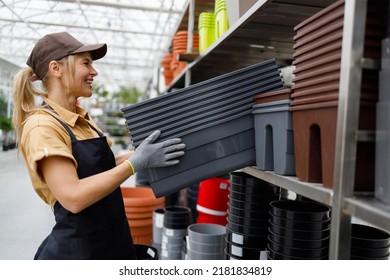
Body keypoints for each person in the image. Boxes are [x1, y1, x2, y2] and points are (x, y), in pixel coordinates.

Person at [12, 31, 186, 260]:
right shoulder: (42, 125)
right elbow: (73, 197)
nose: (94, 72)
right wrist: (134, 164)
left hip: (114, 242)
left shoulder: (82, 118)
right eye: (86, 63)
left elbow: (96, 169)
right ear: (56, 69)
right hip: (81, 253)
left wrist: (140, 153)